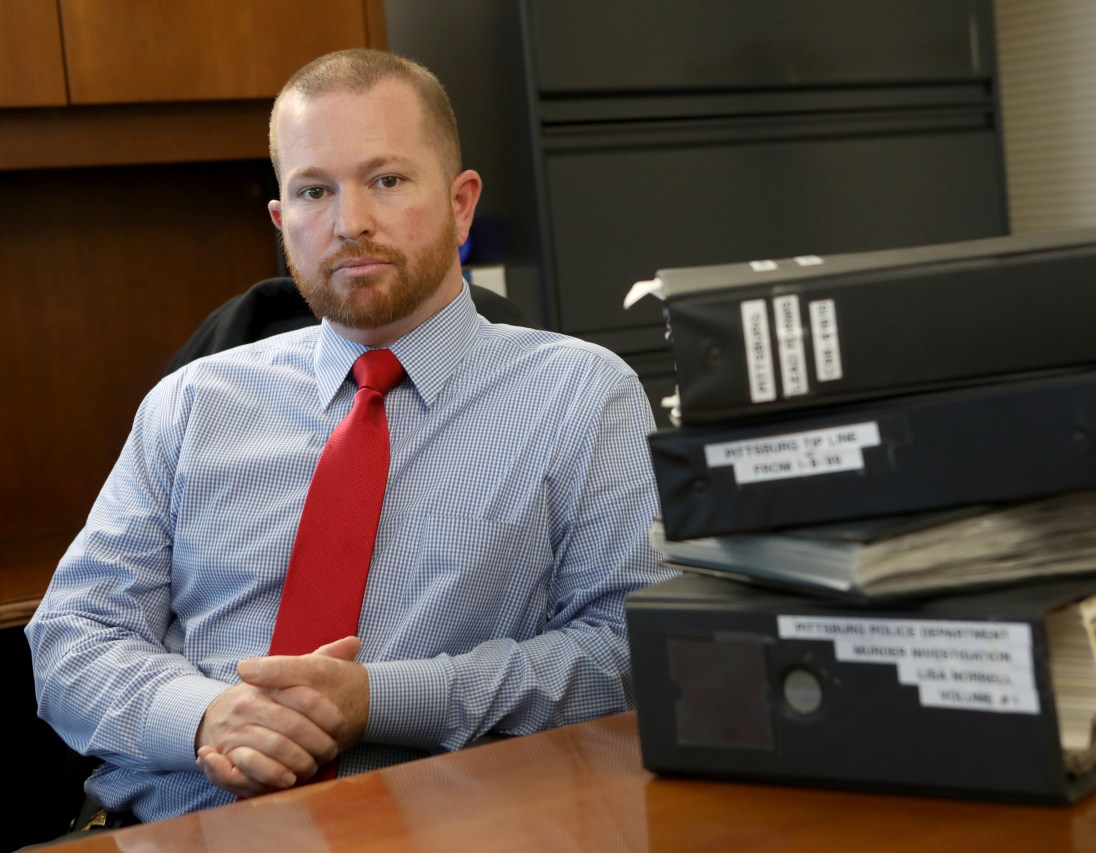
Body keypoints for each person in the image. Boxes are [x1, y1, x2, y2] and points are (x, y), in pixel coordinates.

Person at [26, 48, 671, 824]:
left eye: (387, 180)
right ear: (281, 222)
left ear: (461, 204)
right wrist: (207, 714)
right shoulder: (191, 405)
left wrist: (379, 700)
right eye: (314, 190)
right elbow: (72, 637)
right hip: (176, 824)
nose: (349, 222)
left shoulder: (581, 397)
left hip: (446, 826)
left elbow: (630, 651)